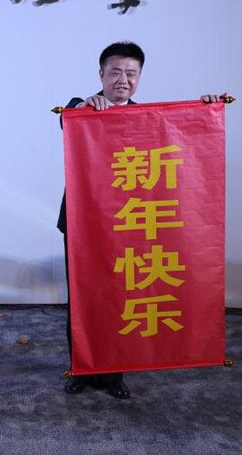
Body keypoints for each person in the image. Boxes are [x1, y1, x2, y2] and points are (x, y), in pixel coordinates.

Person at [58, 41, 226, 399]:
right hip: (83, 225)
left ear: (138, 78)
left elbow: (184, 135)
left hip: (127, 223)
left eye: (131, 73)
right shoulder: (80, 109)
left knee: (120, 295)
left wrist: (206, 110)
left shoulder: (146, 119)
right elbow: (67, 117)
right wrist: (85, 105)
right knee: (83, 298)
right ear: (101, 75)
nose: (123, 79)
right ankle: (82, 367)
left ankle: (113, 373)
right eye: (116, 72)